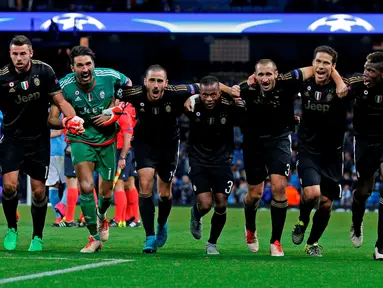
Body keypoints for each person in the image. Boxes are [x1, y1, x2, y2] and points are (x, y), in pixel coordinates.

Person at [234, 55, 346, 256]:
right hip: (253, 144)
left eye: (269, 74)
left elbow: (314, 68)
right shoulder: (246, 89)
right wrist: (192, 98)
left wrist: (338, 81)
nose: (265, 78)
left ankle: (275, 241)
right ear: (255, 76)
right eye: (261, 74)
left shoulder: (287, 81)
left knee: (279, 187)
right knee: (255, 195)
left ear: (276, 75)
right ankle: (250, 227)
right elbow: (221, 92)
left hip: (279, 140)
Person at [0, 35, 81, 252]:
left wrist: (75, 120)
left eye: (23, 53)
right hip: (12, 138)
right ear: (10, 54)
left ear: (31, 53)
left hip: (38, 139)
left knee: (38, 192)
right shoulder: (2, 76)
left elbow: (61, 101)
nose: (19, 58)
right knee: (9, 186)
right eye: (15, 54)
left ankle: (37, 236)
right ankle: (12, 228)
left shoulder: (44, 71)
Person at [52, 45, 132, 252]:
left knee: (106, 194)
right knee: (86, 187)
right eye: (79, 65)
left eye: (88, 64)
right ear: (72, 68)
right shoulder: (63, 86)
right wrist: (65, 123)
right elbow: (51, 118)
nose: (85, 69)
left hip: (107, 140)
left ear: (94, 65)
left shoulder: (110, 76)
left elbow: (129, 86)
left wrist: (116, 110)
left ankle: (102, 217)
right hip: (80, 139)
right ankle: (93, 237)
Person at [118, 65, 202, 253]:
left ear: (166, 83)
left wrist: (231, 90)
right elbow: (110, 90)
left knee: (165, 193)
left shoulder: (176, 92)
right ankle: (149, 237)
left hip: (169, 145)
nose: (156, 85)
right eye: (152, 81)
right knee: (145, 184)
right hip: (144, 144)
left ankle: (161, 223)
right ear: (146, 82)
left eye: (159, 81)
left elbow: (205, 86)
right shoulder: (135, 93)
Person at [291, 46, 350, 256]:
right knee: (312, 193)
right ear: (312, 62)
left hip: (333, 154)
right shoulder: (304, 83)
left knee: (325, 203)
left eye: (327, 63)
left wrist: (339, 79)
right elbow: (290, 78)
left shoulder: (344, 89)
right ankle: (302, 220)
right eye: (318, 61)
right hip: (308, 149)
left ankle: (312, 243)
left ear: (334, 67)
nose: (321, 66)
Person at [186, 76, 245, 254]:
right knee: (205, 204)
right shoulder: (192, 105)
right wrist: (190, 97)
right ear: (199, 94)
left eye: (213, 94)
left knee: (221, 204)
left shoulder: (229, 106)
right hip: (199, 160)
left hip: (223, 161)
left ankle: (212, 243)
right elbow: (179, 94)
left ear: (219, 93)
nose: (209, 98)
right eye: (205, 95)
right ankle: (196, 214)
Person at [346, 52, 383, 260]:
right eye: (365, 68)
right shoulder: (357, 84)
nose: (366, 73)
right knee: (364, 191)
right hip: (364, 142)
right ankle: (356, 220)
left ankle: (381, 245)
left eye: (371, 71)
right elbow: (340, 86)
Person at [110, 100, 140, 228]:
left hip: (122, 149)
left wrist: (122, 156)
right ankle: (133, 218)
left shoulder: (123, 110)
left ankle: (119, 219)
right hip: (129, 148)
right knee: (129, 184)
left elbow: (127, 131)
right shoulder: (131, 107)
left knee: (119, 185)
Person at [46, 111, 67, 225]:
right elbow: (60, 131)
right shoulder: (61, 112)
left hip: (48, 151)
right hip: (60, 151)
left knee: (52, 185)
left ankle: (58, 217)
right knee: (71, 183)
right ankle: (62, 205)